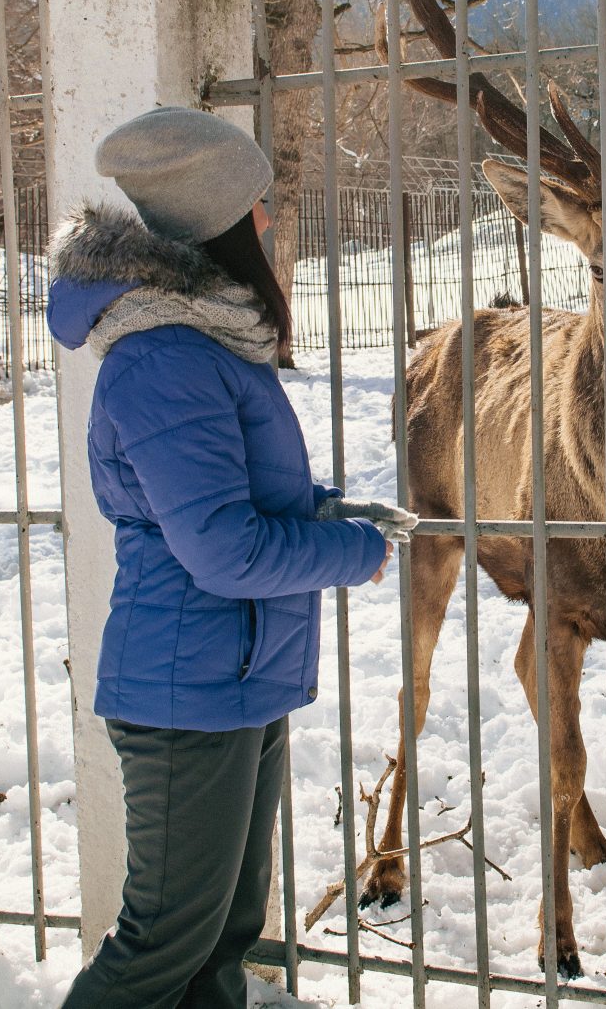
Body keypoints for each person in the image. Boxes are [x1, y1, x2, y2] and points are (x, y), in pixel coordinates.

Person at [47, 106, 417, 1008]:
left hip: (238, 679)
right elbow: (222, 548)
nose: (270, 222)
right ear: (219, 220)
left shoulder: (209, 345)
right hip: (188, 693)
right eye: (258, 205)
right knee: (161, 943)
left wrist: (333, 510)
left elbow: (240, 499)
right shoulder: (165, 358)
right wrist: (351, 547)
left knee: (221, 938)